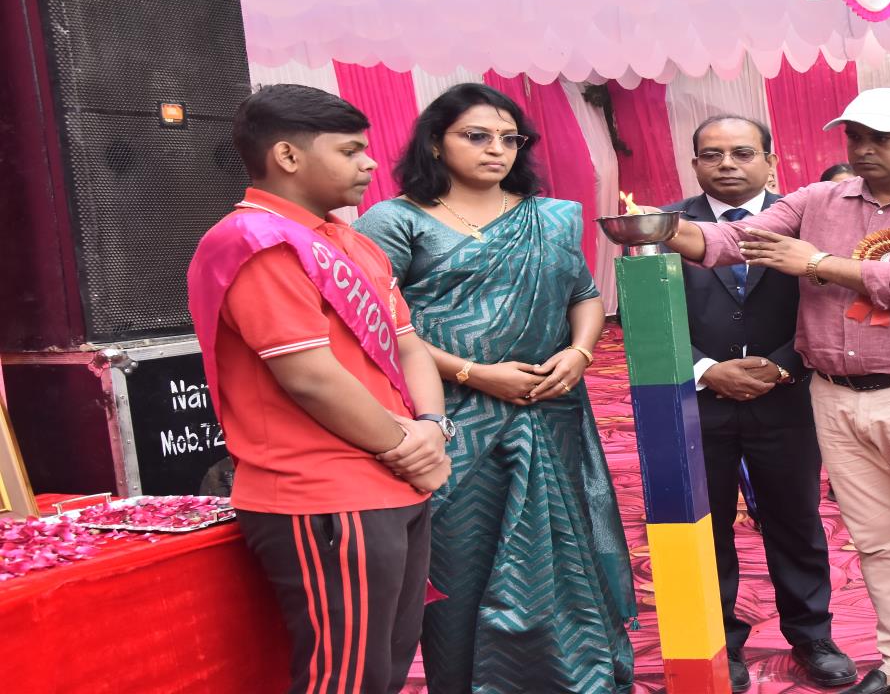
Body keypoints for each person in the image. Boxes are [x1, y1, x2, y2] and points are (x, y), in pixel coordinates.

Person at [657, 88, 890, 694]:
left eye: (883, 137)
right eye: (855, 136)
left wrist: (819, 263)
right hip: (835, 394)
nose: (865, 148)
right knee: (878, 542)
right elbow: (732, 241)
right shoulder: (819, 199)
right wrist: (658, 227)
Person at [354, 83, 637, 693]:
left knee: (558, 554)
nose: (497, 150)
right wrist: (475, 373)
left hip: (549, 406)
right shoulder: (396, 221)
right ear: (436, 141)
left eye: (510, 139)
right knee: (463, 563)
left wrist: (580, 352)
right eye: (477, 136)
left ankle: (577, 679)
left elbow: (585, 295)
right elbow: (377, 326)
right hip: (452, 418)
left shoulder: (548, 216)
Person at [187, 84, 451, 694]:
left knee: (385, 668)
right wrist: (407, 446)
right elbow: (308, 376)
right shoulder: (254, 240)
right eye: (350, 150)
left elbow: (408, 344)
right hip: (323, 493)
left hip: (394, 481)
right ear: (287, 155)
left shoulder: (350, 242)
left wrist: (434, 428)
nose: (369, 164)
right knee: (346, 675)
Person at [662, 115, 856, 692]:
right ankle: (719, 640)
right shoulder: (663, 226)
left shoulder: (811, 222)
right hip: (695, 401)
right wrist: (706, 369)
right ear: (695, 163)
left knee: (796, 519)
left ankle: (812, 635)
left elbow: (832, 305)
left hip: (788, 397)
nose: (727, 163)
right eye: (712, 154)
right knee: (705, 525)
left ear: (771, 161)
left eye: (742, 152)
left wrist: (783, 364)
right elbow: (645, 315)